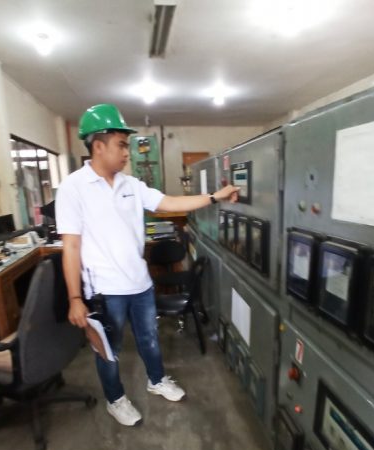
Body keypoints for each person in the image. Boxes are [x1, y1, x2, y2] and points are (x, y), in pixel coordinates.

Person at [56, 104, 239, 426]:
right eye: (121, 145)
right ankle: (116, 399)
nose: (127, 152)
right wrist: (74, 298)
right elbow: (70, 246)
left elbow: (169, 202)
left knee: (150, 339)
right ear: (98, 145)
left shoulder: (131, 185)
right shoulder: (73, 188)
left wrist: (214, 197)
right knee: (108, 350)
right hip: (104, 290)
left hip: (140, 283)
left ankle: (156, 381)